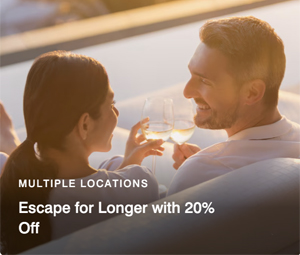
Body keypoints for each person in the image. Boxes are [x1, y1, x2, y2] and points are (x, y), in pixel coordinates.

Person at [0, 51, 164, 254]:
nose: (117, 113)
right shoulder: (138, 184)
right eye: (111, 104)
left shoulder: (12, 188)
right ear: (85, 124)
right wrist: (130, 167)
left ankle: (9, 142)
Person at [168, 16, 300, 195]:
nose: (187, 92)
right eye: (191, 74)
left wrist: (201, 169)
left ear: (252, 92)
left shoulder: (198, 174)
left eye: (205, 80)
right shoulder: (205, 171)